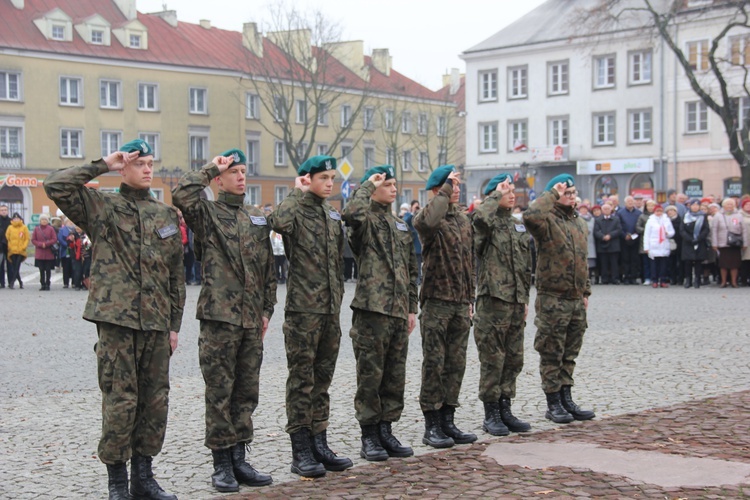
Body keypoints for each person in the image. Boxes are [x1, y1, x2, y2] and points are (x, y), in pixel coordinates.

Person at [44, 138, 185, 500]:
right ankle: (118, 483)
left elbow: (175, 275)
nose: (148, 169)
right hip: (117, 322)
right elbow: (55, 185)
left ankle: (144, 476)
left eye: (151, 163)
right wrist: (104, 163)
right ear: (125, 167)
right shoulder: (102, 206)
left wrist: (174, 325)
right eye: (140, 163)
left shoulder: (165, 215)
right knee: (120, 401)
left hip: (155, 323)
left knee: (155, 402)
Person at [172, 149, 276, 492]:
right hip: (220, 317)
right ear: (219, 179)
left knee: (246, 392)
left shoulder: (255, 216)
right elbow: (182, 193)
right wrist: (211, 166)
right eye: (234, 172)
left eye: (244, 171)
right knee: (220, 391)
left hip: (249, 318)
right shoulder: (208, 214)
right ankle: (221, 463)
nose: (242, 177)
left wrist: (266, 309)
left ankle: (239, 458)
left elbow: (267, 269)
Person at [267, 155, 352, 478]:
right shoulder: (296, 210)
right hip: (304, 310)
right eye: (323, 178)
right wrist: (296, 191)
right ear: (308, 179)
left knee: (322, 380)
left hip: (330, 310)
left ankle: (320, 440)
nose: (330, 183)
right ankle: (300, 448)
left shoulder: (331, 215)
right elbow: (277, 222)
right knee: (302, 381)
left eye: (332, 177)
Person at [341, 165, 418, 462]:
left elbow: (412, 268)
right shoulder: (364, 221)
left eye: (395, 183)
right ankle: (369, 435)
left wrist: (412, 306)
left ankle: (386, 429)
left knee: (393, 375)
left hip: (398, 311)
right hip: (372, 310)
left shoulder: (400, 224)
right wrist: (367, 186)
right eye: (387, 184)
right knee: (371, 376)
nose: (394, 188)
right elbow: (351, 214)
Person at [523, 174, 594, 424]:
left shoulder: (579, 224)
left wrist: (585, 292)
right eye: (566, 192)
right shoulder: (546, 221)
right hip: (553, 298)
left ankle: (566, 397)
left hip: (575, 299)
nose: (572, 196)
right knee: (552, 351)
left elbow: (582, 261)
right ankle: (553, 402)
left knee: (570, 352)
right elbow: (529, 216)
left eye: (574, 192)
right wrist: (551, 194)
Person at [413, 165, 476, 448]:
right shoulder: (429, 218)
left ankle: (448, 419)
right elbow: (427, 222)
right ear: (438, 189)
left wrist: (470, 298)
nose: (458, 188)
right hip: (437, 302)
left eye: (459, 183)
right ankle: (432, 424)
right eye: (452, 184)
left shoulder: (463, 220)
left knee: (455, 364)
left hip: (460, 303)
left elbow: (469, 263)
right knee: (435, 365)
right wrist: (445, 189)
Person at [472, 174, 532, 436]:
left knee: (513, 358)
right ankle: (491, 413)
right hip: (493, 301)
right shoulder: (487, 223)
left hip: (516, 301)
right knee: (493, 359)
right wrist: (493, 197)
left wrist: (526, 298)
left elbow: (525, 265)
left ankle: (506, 407)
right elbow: (479, 218)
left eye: (512, 189)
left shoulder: (517, 225)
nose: (511, 193)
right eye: (504, 189)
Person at [711, 198, 747, 288]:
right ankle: (723, 282)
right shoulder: (718, 215)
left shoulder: (739, 215)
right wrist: (714, 243)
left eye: (731, 204)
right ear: (723, 206)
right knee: (723, 264)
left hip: (735, 243)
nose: (729, 206)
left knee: (734, 264)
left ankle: (734, 282)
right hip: (722, 243)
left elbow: (744, 230)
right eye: (728, 204)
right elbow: (714, 230)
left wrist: (745, 243)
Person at [643, 205, 675, 288]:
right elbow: (646, 234)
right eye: (657, 211)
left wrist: (668, 233)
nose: (659, 213)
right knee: (654, 265)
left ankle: (663, 280)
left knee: (663, 265)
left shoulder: (666, 220)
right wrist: (646, 247)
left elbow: (672, 231)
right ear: (654, 212)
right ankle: (655, 280)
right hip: (653, 245)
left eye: (660, 211)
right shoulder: (650, 221)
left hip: (664, 244)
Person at [680, 199, 710, 289]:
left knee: (698, 262)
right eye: (693, 205)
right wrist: (689, 239)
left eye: (697, 205)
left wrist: (699, 238)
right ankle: (688, 280)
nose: (695, 207)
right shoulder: (685, 216)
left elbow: (706, 229)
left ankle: (697, 280)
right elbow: (682, 230)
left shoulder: (703, 216)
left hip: (699, 242)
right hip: (688, 242)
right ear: (690, 206)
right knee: (688, 262)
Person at [593, 203, 622, 285]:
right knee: (603, 263)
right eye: (604, 209)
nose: (606, 210)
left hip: (613, 244)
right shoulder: (598, 220)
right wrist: (603, 236)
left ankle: (615, 279)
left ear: (611, 210)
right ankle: (604, 279)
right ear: (602, 210)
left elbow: (619, 230)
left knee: (614, 263)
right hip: (602, 244)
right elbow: (596, 231)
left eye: (608, 209)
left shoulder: (616, 219)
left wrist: (610, 235)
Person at [617, 196, 641, 284]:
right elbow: (618, 225)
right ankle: (626, 277)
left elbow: (639, 225)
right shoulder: (620, 213)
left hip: (635, 238)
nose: (630, 203)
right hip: (624, 239)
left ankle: (633, 277)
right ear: (625, 203)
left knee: (634, 259)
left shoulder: (638, 213)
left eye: (631, 201)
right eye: (628, 201)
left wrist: (635, 234)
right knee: (625, 259)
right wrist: (624, 235)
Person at [31, 213, 57, 291]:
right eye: (42, 219)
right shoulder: (36, 229)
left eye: (45, 219)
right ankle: (42, 284)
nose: (44, 221)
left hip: (49, 252)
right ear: (40, 221)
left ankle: (48, 284)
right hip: (40, 252)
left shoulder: (51, 229)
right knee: (41, 269)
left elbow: (54, 239)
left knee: (48, 269)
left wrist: (46, 244)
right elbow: (33, 240)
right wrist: (39, 244)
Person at [5, 212, 29, 289]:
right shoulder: (10, 227)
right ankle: (20, 282)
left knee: (17, 267)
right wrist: (9, 246)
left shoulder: (24, 227)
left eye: (17, 218)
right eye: (14, 218)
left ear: (20, 219)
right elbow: (7, 237)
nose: (16, 220)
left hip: (20, 250)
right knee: (14, 267)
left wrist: (24, 246)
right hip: (12, 250)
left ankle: (12, 282)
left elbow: (27, 238)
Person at [402, 200, 422, 285]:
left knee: (418, 263)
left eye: (418, 206)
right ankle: (413, 279)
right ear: (411, 207)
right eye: (415, 207)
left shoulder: (420, 215)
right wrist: (412, 212)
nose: (417, 208)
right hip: (411, 244)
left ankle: (419, 279)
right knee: (412, 264)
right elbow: (404, 222)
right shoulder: (408, 215)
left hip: (419, 245)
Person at [636, 200, 655, 285]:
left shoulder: (658, 216)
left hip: (655, 241)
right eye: (649, 206)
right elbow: (637, 227)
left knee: (655, 261)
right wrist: (646, 231)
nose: (651, 208)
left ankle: (655, 277)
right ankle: (647, 277)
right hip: (644, 240)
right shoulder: (642, 216)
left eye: (652, 206)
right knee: (646, 262)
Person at [578, 204, 598, 285]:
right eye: (582, 209)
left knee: (590, 261)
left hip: (590, 241)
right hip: (579, 241)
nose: (583, 211)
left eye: (585, 209)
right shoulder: (576, 218)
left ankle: (589, 278)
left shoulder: (592, 219)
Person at [665, 205, 683, 285]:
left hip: (679, 242)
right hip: (668, 242)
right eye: (669, 211)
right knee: (670, 262)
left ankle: (680, 278)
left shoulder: (681, 220)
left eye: (672, 210)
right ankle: (672, 278)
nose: (670, 212)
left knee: (680, 262)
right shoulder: (665, 221)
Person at [58, 218, 75, 288]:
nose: (70, 222)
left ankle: (74, 282)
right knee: (65, 267)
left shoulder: (74, 229)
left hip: (74, 250)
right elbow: (60, 239)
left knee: (73, 267)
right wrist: (67, 244)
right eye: (69, 221)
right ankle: (66, 282)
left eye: (71, 221)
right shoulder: (62, 230)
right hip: (65, 251)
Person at [0, 204, 11, 288]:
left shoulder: (11, 221)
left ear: (7, 211)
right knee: (0, 265)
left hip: (9, 245)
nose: (3, 211)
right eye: (2, 210)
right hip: (0, 246)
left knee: (10, 265)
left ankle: (11, 282)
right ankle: (2, 283)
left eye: (5, 210)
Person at [741, 196, 750, 286]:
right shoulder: (739, 215)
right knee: (745, 261)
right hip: (745, 241)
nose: (748, 206)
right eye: (746, 204)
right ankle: (744, 279)